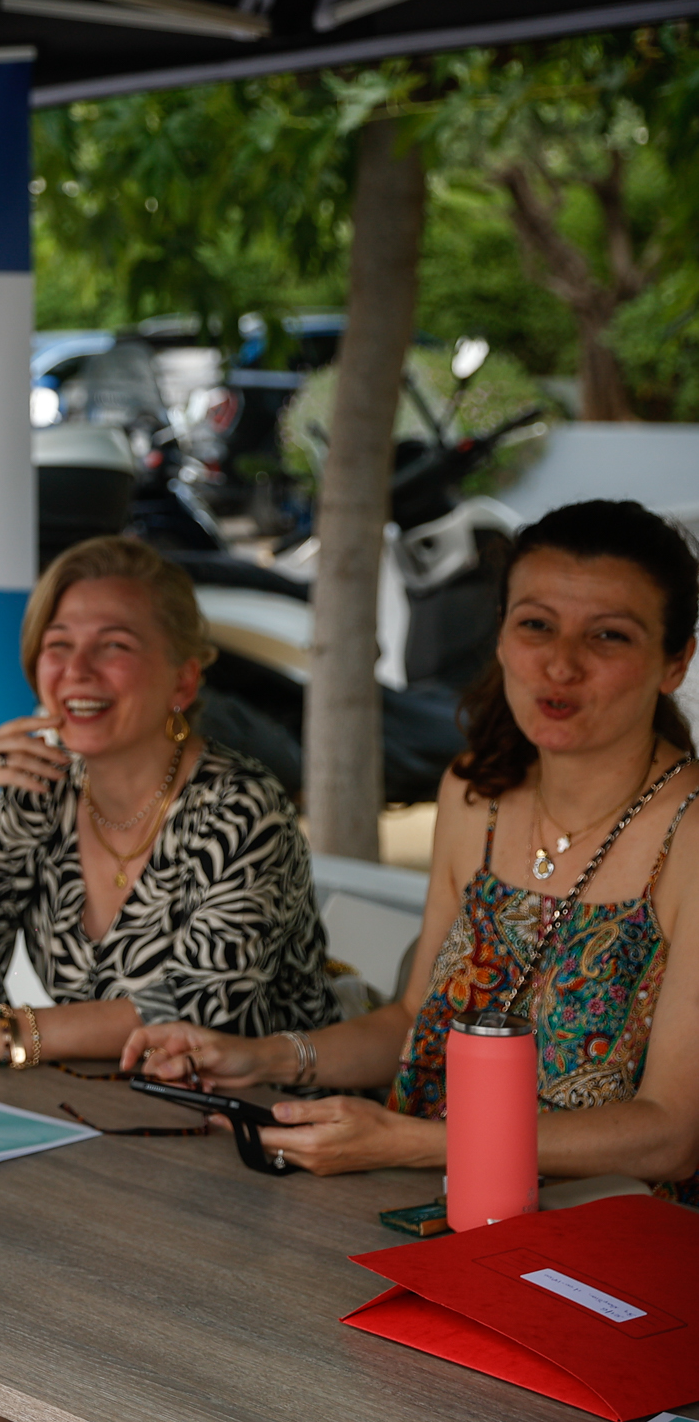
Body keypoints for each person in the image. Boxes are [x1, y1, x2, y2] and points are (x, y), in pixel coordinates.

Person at [0, 535, 331, 1422]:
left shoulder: (241, 805)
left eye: (115, 643)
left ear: (184, 680)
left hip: (244, 1162)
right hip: (101, 1142)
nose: (78, 667)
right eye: (58, 643)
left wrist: (1, 1036)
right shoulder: (43, 790)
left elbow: (194, 1005)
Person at [129, 500, 699, 1200]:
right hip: (415, 1198)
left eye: (608, 635)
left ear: (676, 662)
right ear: (499, 636)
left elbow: (670, 1134)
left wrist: (411, 1141)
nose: (561, 663)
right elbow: (411, 1020)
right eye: (536, 625)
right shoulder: (475, 793)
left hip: (603, 1247)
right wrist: (257, 1057)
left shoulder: (689, 833)